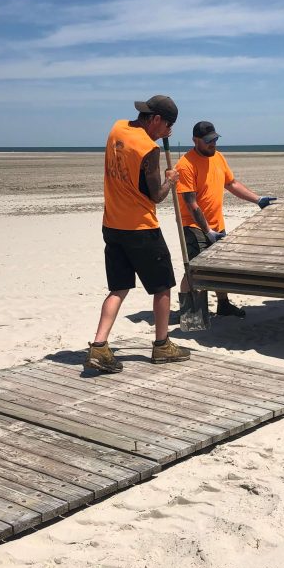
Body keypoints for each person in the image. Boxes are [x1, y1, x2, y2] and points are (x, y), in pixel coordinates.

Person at [85, 96, 191, 373]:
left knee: (118, 287)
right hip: (141, 228)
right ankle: (162, 345)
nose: (167, 131)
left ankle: (99, 346)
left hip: (112, 224)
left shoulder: (117, 128)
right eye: (167, 125)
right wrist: (171, 180)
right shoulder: (148, 148)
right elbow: (156, 195)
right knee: (162, 286)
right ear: (155, 119)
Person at [176, 120, 277, 318]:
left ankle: (223, 304)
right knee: (195, 270)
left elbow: (231, 183)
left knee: (218, 268)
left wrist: (258, 200)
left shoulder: (218, 157)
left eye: (215, 139)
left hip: (217, 224)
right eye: (208, 141)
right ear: (195, 140)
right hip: (194, 226)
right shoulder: (185, 165)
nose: (213, 143)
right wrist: (207, 232)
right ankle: (189, 313)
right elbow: (191, 204)